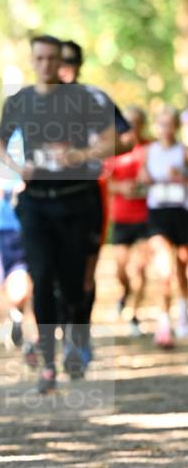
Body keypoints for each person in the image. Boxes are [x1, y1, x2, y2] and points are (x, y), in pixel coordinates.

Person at [0, 35, 116, 393]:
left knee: (74, 281)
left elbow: (111, 139)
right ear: (32, 60)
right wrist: (18, 166)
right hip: (36, 204)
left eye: (52, 59)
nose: (46, 65)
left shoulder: (81, 99)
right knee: (42, 278)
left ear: (60, 61)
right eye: (40, 58)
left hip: (77, 201)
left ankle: (76, 343)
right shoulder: (20, 101)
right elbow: (0, 142)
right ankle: (48, 362)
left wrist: (79, 156)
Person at [57, 39, 132, 364]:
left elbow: (127, 138)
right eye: (61, 62)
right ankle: (61, 339)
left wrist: (90, 152)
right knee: (52, 269)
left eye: (72, 62)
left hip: (88, 193)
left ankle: (80, 334)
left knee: (85, 272)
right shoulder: (35, 100)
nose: (65, 68)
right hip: (44, 198)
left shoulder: (95, 99)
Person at [0, 134, 37, 363]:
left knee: (37, 280)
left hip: (40, 221)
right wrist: (1, 193)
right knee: (21, 284)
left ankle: (33, 340)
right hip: (9, 222)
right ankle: (19, 316)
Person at [139, 106, 188, 347]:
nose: (165, 129)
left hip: (181, 211)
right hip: (158, 212)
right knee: (165, 268)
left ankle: (183, 315)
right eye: (161, 124)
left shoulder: (184, 152)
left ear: (176, 128)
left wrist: (182, 177)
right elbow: (140, 178)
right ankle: (164, 322)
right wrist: (144, 179)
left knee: (181, 268)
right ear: (156, 126)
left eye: (170, 124)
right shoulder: (149, 151)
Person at [104, 106, 150, 337]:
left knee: (139, 269)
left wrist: (146, 185)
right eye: (128, 122)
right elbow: (106, 184)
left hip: (146, 217)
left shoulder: (150, 148)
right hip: (121, 217)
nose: (132, 127)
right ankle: (124, 295)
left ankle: (134, 313)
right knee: (121, 271)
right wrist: (122, 187)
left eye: (136, 122)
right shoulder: (115, 149)